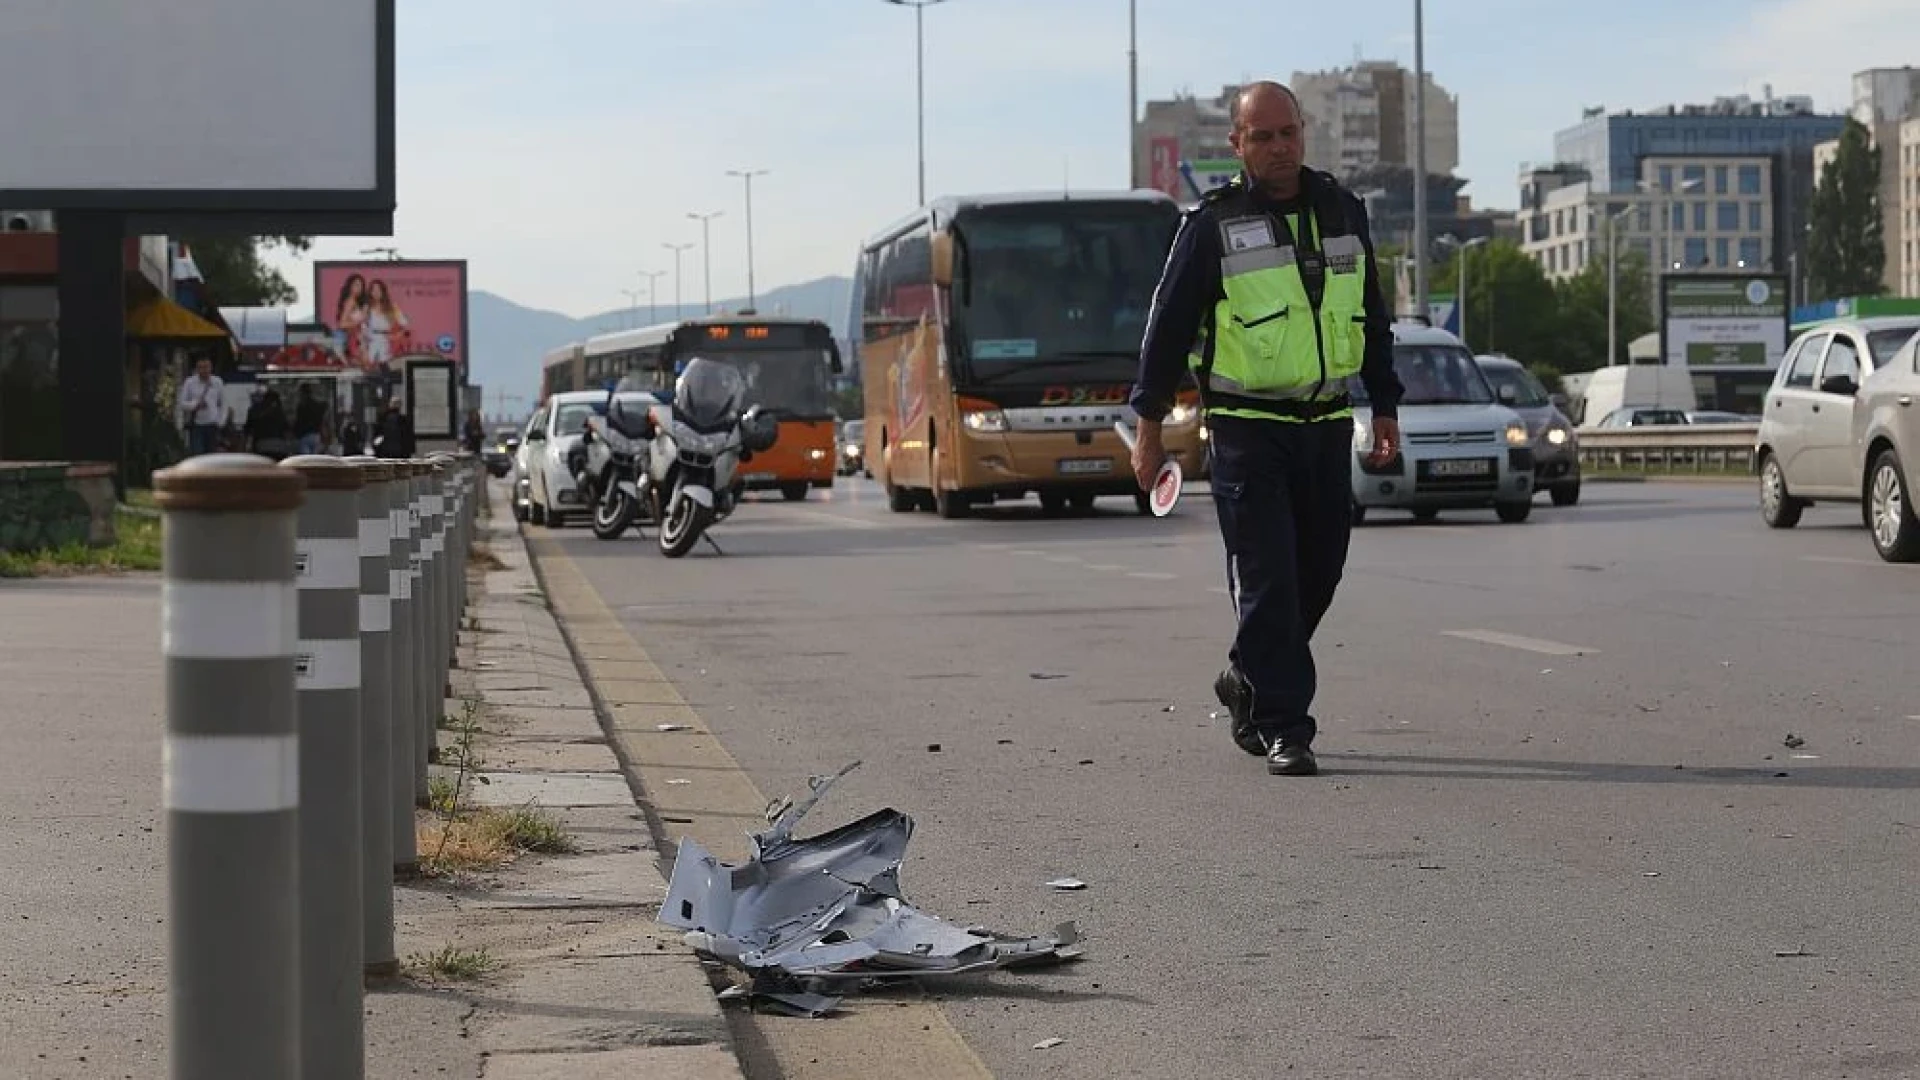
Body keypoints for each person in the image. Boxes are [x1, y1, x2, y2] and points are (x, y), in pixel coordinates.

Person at [1127, 81, 1404, 777]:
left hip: (1327, 421)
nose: (1279, 148)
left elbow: (1370, 315)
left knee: (1322, 570)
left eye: (1288, 133)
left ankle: (1245, 673)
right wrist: (1149, 427)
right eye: (1263, 137)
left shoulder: (1344, 209)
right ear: (1238, 145)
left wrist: (1387, 405)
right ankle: (1285, 726)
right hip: (1247, 428)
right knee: (1270, 579)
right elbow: (1166, 330)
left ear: (1303, 132)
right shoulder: (1212, 224)